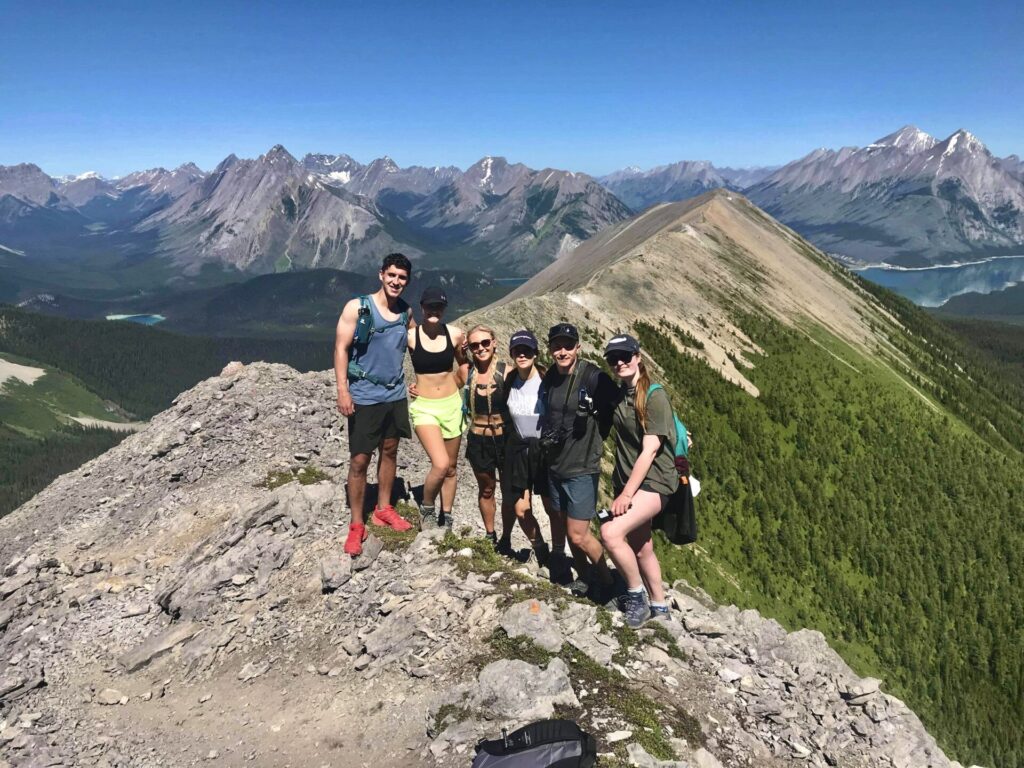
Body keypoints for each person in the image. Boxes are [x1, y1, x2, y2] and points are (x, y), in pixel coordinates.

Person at [334, 253, 416, 557]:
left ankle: (383, 507)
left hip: (394, 395)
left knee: (390, 450)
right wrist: (343, 389)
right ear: (381, 274)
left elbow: (415, 345)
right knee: (359, 460)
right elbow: (341, 348)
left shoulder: (406, 313)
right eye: (392, 275)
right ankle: (357, 523)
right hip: (365, 395)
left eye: (402, 278)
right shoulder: (358, 308)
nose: (396, 281)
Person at [540, 322, 619, 600]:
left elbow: (625, 402)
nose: (562, 351)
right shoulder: (550, 377)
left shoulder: (593, 377)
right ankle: (585, 579)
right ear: (550, 349)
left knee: (578, 534)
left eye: (568, 345)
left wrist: (675, 429)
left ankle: (608, 583)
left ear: (578, 347)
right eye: (557, 346)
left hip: (582, 468)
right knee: (564, 525)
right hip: (556, 466)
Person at [603, 333, 674, 626]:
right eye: (613, 359)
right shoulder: (620, 393)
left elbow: (651, 449)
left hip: (654, 482)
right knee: (642, 545)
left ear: (638, 358)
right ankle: (660, 607)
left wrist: (626, 495)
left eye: (626, 356)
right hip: (630, 481)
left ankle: (636, 597)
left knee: (610, 533)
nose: (620, 362)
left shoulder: (654, 395)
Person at [407, 286, 468, 529]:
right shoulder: (411, 337)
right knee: (441, 463)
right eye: (430, 306)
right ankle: (428, 506)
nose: (434, 311)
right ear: (422, 308)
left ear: (444, 308)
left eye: (439, 306)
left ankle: (447, 515)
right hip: (425, 408)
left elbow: (464, 366)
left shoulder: (455, 335)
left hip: (452, 405)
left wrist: (462, 384)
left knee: (451, 468)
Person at [496, 329, 553, 566]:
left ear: (536, 353)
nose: (522, 354)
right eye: (517, 350)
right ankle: (540, 549)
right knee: (521, 509)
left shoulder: (547, 380)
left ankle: (559, 553)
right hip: (518, 450)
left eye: (527, 350)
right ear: (511, 353)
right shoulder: (509, 380)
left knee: (553, 508)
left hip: (544, 452)